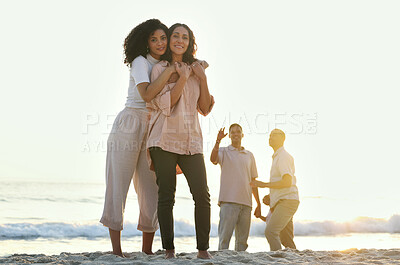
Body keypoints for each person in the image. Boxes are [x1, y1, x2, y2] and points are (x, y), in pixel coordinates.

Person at [100, 19, 178, 257]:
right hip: (129, 124)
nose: (159, 43)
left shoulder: (167, 64)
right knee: (118, 186)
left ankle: (146, 250)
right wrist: (169, 73)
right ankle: (116, 251)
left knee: (151, 189)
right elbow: (146, 94)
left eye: (163, 38)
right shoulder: (140, 62)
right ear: (145, 42)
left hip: (154, 128)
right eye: (153, 39)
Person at [147, 23, 214, 259]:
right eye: (175, 35)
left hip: (191, 141)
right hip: (163, 139)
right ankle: (169, 250)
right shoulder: (160, 69)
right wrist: (183, 79)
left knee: (202, 195)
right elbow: (166, 106)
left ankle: (203, 250)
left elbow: (204, 108)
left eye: (185, 37)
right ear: (169, 40)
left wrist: (202, 79)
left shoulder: (198, 69)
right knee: (167, 195)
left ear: (190, 43)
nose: (179, 40)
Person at [210, 124, 261, 251]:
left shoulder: (249, 155)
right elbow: (213, 159)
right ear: (230, 135)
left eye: (238, 132)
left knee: (242, 243)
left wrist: (258, 204)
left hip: (246, 204)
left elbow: (253, 181)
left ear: (242, 135)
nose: (236, 134)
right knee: (224, 241)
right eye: (232, 132)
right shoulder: (223, 151)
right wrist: (217, 141)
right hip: (228, 202)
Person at [251, 129, 299, 251]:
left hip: (287, 201)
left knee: (271, 232)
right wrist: (271, 195)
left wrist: (264, 184)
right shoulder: (277, 156)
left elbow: (287, 182)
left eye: (274, 135)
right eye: (270, 135)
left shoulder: (283, 157)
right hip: (284, 200)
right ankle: (295, 260)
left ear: (283, 138)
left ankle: (277, 260)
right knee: (286, 239)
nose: (270, 137)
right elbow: (284, 183)